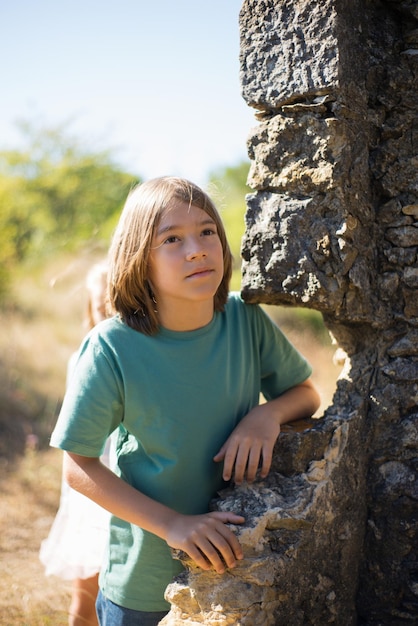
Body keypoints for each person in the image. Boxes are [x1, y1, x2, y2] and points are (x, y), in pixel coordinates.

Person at [50, 176, 321, 626]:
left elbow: (305, 393)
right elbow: (78, 466)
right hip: (146, 582)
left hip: (239, 566)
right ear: (139, 259)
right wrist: (174, 524)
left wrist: (266, 415)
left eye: (207, 231)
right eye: (172, 239)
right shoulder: (111, 348)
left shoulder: (245, 319)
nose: (196, 249)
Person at [40, 261, 111, 626]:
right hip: (93, 489)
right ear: (91, 309)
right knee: (85, 594)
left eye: (116, 304)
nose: (109, 313)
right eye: (102, 307)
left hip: (124, 482)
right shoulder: (83, 357)